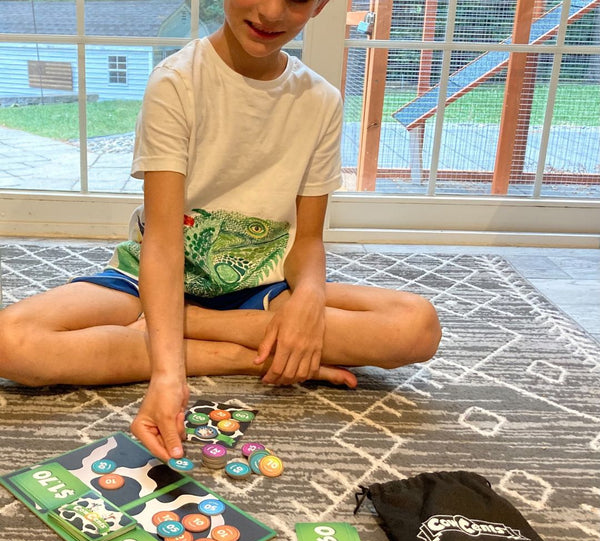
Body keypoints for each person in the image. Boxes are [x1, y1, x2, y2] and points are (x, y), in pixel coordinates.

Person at [0, 0, 441, 463]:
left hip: (261, 287)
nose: (271, 12)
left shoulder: (321, 100)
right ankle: (241, 354)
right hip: (148, 280)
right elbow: (164, 244)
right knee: (12, 343)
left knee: (416, 327)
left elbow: (308, 239)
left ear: (320, 5)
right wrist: (169, 375)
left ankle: (189, 328)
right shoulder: (177, 82)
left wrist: (308, 298)